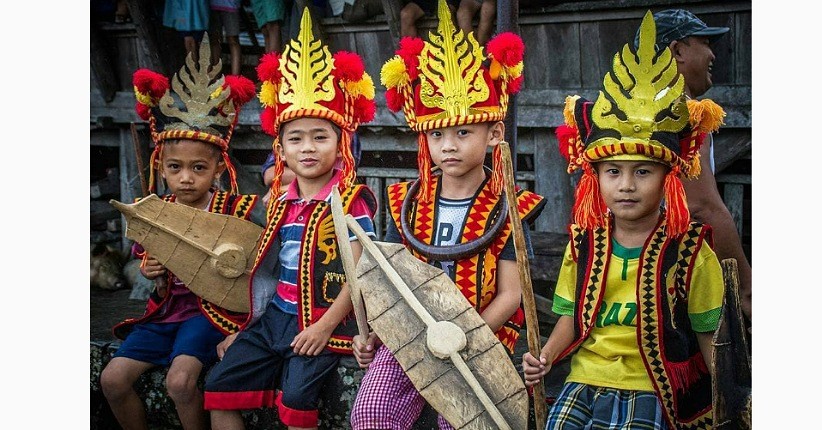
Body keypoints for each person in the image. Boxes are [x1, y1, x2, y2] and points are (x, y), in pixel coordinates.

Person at [522, 12, 725, 429]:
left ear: (669, 178)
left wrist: (732, 392)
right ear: (594, 177)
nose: (626, 185)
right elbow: (571, 318)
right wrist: (543, 358)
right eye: (613, 172)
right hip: (584, 376)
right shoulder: (585, 243)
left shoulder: (690, 251)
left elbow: (709, 335)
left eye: (643, 172)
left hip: (655, 385)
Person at [350, 2, 545, 428]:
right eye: (437, 134)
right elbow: (384, 277)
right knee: (371, 412)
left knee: (468, 420)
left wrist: (462, 335)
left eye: (463, 132)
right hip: (410, 332)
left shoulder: (508, 206)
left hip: (481, 335)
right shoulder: (408, 203)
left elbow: (511, 294)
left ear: (494, 133)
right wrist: (375, 335)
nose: (449, 145)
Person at [203, 8, 378, 430]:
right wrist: (244, 328)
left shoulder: (352, 200)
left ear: (341, 143)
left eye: (321, 137)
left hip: (323, 318)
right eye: (295, 139)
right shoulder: (280, 200)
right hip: (276, 317)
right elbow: (265, 269)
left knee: (298, 398)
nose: (308, 148)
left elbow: (363, 270)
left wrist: (324, 327)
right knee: (218, 385)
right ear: (279, 149)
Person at [100, 37, 262, 430]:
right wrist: (152, 275)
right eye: (175, 168)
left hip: (212, 316)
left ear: (219, 170)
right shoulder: (156, 215)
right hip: (167, 313)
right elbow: (156, 289)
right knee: (112, 379)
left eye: (198, 169)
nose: (185, 178)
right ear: (162, 166)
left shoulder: (236, 212)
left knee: (180, 380)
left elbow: (255, 275)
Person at [640, 8, 752, 328]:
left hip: (639, 267)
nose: (712, 54)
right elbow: (700, 206)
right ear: (677, 51)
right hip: (676, 274)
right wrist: (746, 286)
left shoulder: (638, 106)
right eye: (704, 42)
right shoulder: (681, 111)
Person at [209, 0, 243, 75]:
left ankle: (235, 79)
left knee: (233, 39)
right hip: (212, 5)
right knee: (215, 40)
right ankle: (215, 77)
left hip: (231, 4)